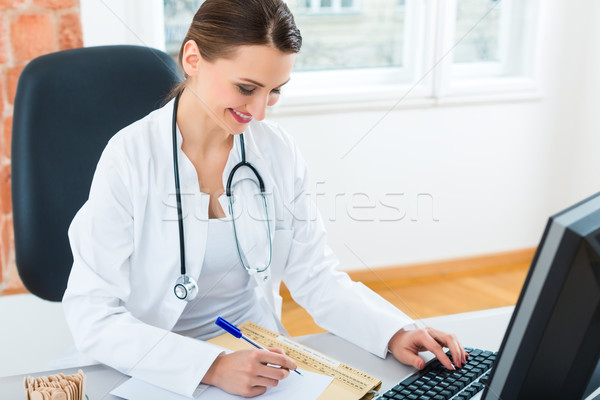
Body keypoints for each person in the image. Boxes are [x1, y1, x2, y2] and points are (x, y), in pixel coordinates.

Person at [62, 0, 467, 397]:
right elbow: (93, 316)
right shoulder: (129, 158)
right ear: (192, 58)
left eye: (274, 92)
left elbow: (316, 275)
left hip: (260, 360)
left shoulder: (274, 151)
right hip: (157, 368)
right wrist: (212, 367)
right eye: (246, 88)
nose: (259, 113)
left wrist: (395, 332)